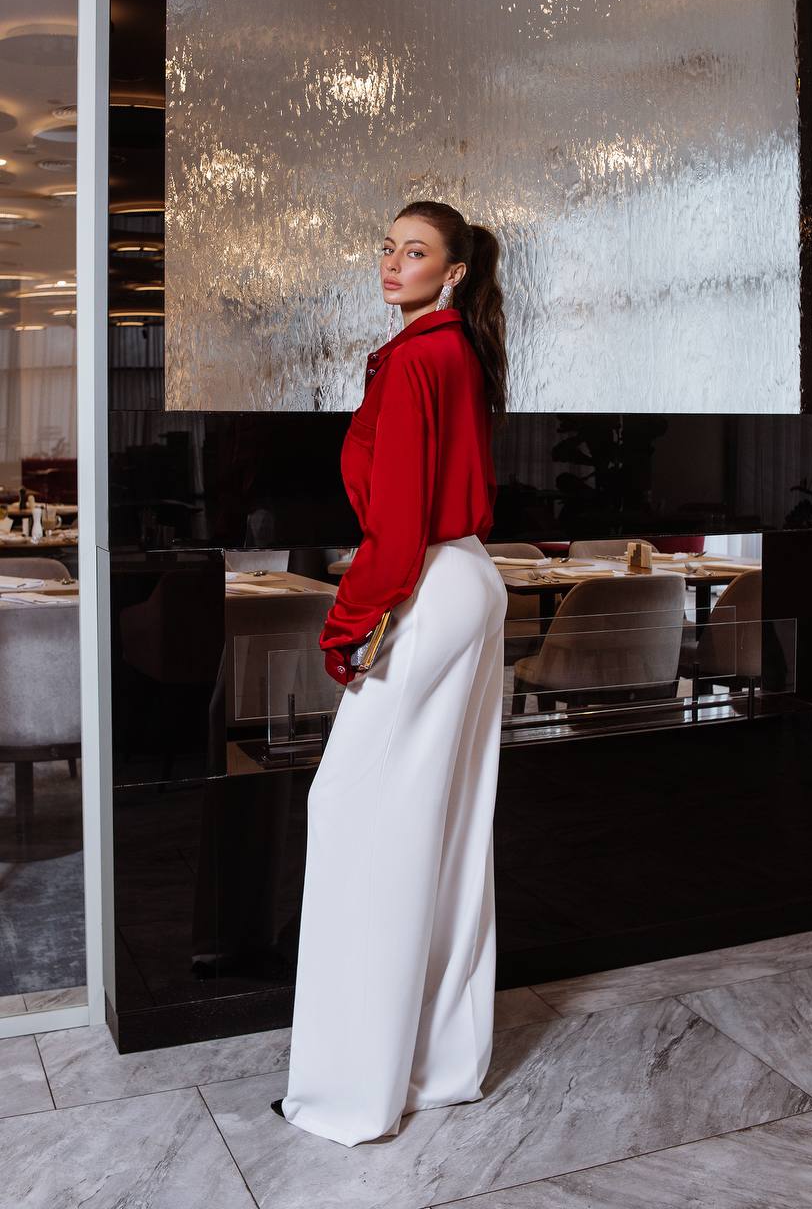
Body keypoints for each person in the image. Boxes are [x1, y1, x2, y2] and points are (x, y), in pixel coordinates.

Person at [271, 199, 509, 1146]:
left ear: (453, 272)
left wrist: (347, 623)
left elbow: (399, 520)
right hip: (469, 581)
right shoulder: (456, 351)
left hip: (431, 583)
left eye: (415, 252)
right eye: (387, 248)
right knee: (446, 829)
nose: (392, 263)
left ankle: (350, 1093)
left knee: (355, 817)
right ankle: (438, 1067)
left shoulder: (417, 358)